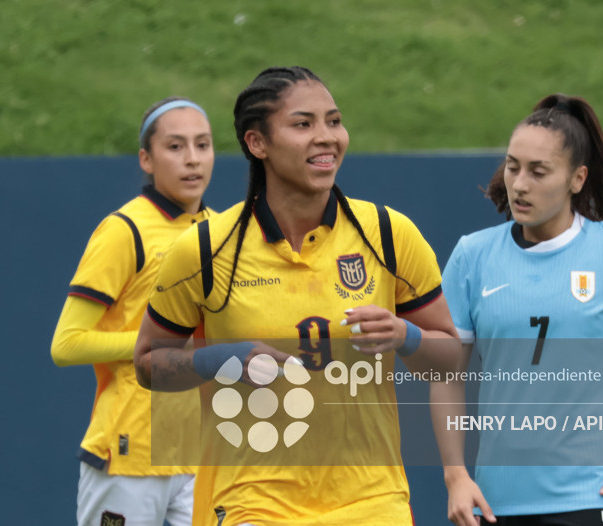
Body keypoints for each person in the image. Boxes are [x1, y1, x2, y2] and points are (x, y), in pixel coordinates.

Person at [133, 66, 460, 526]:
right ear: (257, 144)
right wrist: (220, 360)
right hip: (252, 503)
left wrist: (405, 335)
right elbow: (148, 363)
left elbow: (453, 360)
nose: (327, 137)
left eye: (334, 121)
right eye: (303, 124)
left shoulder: (388, 234)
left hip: (372, 504)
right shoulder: (206, 250)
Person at [432, 94, 603, 526]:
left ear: (577, 178)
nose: (519, 184)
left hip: (595, 496)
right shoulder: (471, 256)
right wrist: (455, 475)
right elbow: (446, 376)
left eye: (538, 171)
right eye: (513, 166)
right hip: (495, 505)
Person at [51, 96, 215, 525]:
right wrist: (159, 345)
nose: (192, 159)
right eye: (175, 147)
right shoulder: (123, 231)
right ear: (146, 158)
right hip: (130, 451)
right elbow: (66, 345)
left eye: (203, 144)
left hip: (203, 451)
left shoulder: (224, 232)